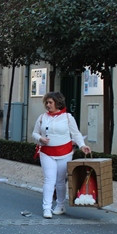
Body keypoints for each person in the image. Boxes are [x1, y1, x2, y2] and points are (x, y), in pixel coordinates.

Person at [32, 91, 91, 219]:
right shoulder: (42, 117)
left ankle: (60, 205)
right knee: (49, 180)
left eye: (50, 102)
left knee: (60, 181)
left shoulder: (68, 117)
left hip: (65, 153)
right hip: (46, 153)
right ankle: (46, 208)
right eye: (46, 102)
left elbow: (76, 134)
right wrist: (40, 139)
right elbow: (34, 133)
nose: (48, 105)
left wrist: (82, 146)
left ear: (57, 103)